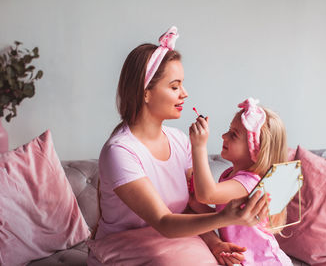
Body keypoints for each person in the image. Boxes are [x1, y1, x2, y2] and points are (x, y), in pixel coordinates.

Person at [88, 27, 269, 266]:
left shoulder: (180, 141)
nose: (185, 94)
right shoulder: (119, 152)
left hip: (171, 241)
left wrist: (215, 244)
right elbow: (164, 222)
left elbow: (190, 207)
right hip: (124, 246)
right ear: (146, 93)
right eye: (175, 86)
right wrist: (223, 217)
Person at [188, 98, 293, 265]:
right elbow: (222, 216)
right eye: (229, 130)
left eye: (233, 134)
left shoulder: (250, 183)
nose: (223, 136)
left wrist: (199, 147)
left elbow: (207, 194)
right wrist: (192, 202)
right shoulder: (228, 175)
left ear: (257, 149)